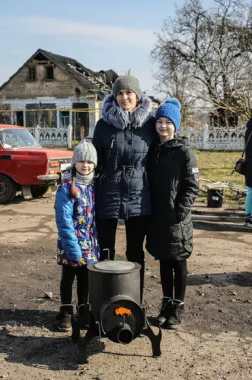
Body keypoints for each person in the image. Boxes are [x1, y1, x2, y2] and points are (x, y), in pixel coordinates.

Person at [92, 75, 155, 300]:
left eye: (128, 93)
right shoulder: (103, 125)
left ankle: (134, 299)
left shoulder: (150, 124)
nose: (124, 97)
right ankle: (105, 299)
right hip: (108, 192)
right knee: (106, 250)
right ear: (114, 96)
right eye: (119, 93)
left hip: (140, 196)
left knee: (135, 252)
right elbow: (93, 159)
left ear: (137, 96)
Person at [146, 99, 199, 329]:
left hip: (176, 218)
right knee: (164, 262)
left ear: (175, 125)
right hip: (157, 216)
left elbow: (192, 185)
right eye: (159, 121)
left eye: (168, 122)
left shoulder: (184, 151)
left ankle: (178, 308)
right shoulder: (153, 149)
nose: (163, 126)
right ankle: (165, 305)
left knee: (178, 261)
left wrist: (180, 211)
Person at [54, 140, 99, 331]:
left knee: (85, 277)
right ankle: (65, 311)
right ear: (74, 163)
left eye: (89, 162)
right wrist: (72, 248)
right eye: (81, 161)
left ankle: (83, 309)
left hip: (89, 243)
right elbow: (63, 221)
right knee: (68, 276)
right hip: (70, 242)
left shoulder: (93, 186)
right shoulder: (66, 187)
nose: (85, 165)